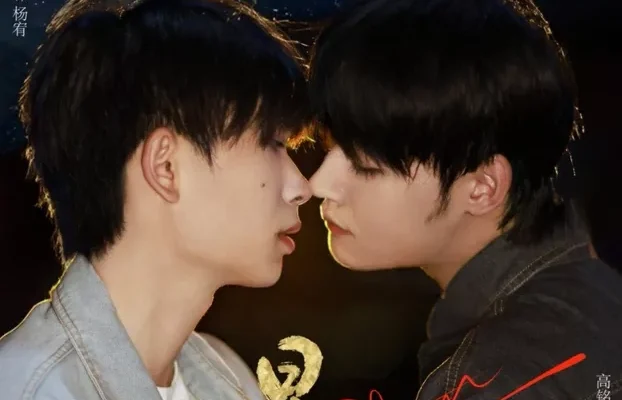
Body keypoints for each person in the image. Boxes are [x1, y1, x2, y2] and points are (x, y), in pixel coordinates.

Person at [308, 0, 622, 398]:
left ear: (482, 187)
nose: (317, 183)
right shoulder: (585, 292)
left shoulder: (504, 378)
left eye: (365, 165)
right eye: (329, 148)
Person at [0, 0, 312, 398]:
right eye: (273, 144)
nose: (301, 187)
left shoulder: (230, 378)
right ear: (166, 167)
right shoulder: (29, 388)